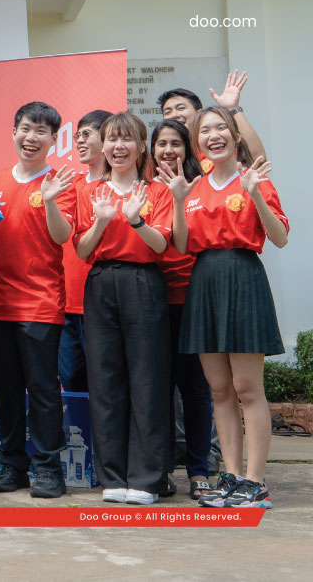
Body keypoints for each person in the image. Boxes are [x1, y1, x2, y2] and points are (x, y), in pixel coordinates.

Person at [159, 106, 288, 509]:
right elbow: (182, 245)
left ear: (234, 135)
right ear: (197, 143)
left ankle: (256, 482)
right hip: (204, 281)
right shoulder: (194, 187)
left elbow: (280, 237)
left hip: (243, 277)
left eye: (220, 128)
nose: (213, 136)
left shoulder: (254, 179)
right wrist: (178, 201)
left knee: (248, 388)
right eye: (204, 131)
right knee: (219, 389)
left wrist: (255, 194)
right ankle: (230, 476)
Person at [74, 111, 172, 506]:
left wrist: (136, 221)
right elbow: (82, 250)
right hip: (100, 282)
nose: (118, 147)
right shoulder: (90, 192)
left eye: (126, 139)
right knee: (104, 378)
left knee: (147, 380)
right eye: (111, 139)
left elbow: (162, 246)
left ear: (141, 146)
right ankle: (111, 475)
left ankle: (146, 478)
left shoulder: (156, 192)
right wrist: (101, 222)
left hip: (143, 281)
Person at [0, 102, 72, 498]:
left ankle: (49, 468)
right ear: (13, 132)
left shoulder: (60, 182)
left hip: (40, 302)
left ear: (54, 139)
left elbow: (61, 236)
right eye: (25, 128)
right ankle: (12, 465)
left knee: (42, 389)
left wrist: (50, 199)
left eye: (41, 131)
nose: (31, 137)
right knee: (6, 388)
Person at [150, 119, 215, 500]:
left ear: (188, 149)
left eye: (175, 143)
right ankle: (160, 469)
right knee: (158, 390)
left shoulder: (202, 185)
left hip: (193, 299)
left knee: (196, 391)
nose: (168, 150)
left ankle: (198, 470)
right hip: (153, 301)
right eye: (161, 144)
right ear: (152, 150)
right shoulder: (143, 187)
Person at [58, 109, 113, 392]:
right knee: (70, 381)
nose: (79, 140)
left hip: (105, 302)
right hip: (67, 302)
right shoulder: (71, 185)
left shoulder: (124, 185)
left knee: (105, 383)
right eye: (77, 135)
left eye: (87, 134)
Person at [158, 70, 267, 169]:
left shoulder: (217, 146)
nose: (174, 115)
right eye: (168, 112)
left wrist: (233, 108)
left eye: (181, 108)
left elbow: (258, 160)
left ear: (198, 114)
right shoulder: (165, 154)